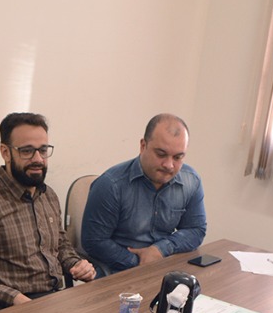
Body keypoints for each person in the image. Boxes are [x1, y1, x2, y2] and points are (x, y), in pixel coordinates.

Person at [0, 113, 96, 312]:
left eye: (43, 150)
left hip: (54, 301)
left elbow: (59, 243)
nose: (38, 159)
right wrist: (14, 298)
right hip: (10, 309)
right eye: (27, 151)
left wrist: (76, 264)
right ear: (5, 152)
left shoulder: (48, 194)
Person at [81, 113, 207, 274]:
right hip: (118, 273)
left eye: (178, 157)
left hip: (164, 267)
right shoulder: (111, 184)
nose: (169, 165)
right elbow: (94, 241)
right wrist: (139, 262)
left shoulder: (191, 181)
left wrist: (160, 250)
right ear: (143, 146)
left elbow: (196, 230)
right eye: (161, 154)